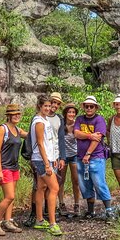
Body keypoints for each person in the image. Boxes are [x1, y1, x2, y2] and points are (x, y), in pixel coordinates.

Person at [24, 92, 66, 225]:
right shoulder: (39, 121)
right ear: (40, 106)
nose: (48, 108)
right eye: (45, 106)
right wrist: (47, 164)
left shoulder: (45, 119)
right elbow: (41, 143)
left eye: (49, 105)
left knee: (41, 187)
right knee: (54, 188)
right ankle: (53, 223)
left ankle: (39, 219)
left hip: (47, 158)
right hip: (42, 159)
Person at [74, 95, 117, 221]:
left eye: (91, 106)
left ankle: (109, 211)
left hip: (95, 157)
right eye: (86, 106)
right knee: (84, 184)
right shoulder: (79, 119)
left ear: (95, 108)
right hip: (80, 157)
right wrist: (89, 136)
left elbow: (97, 139)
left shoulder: (99, 120)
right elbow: (76, 133)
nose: (88, 108)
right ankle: (90, 210)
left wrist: (88, 154)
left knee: (99, 183)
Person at [0, 104, 29, 236]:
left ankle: (8, 221)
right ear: (8, 115)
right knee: (9, 196)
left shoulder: (17, 129)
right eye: (14, 114)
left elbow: (30, 135)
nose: (17, 116)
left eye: (18, 113)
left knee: (12, 197)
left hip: (14, 167)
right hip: (5, 167)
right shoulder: (3, 129)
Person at [58, 103, 81, 217]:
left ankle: (77, 203)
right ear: (65, 113)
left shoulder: (78, 124)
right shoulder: (60, 124)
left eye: (73, 112)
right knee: (61, 180)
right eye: (69, 112)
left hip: (75, 154)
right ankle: (61, 203)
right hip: (63, 155)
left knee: (76, 180)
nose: (71, 114)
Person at [46, 92, 67, 215]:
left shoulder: (59, 118)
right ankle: (36, 213)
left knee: (53, 185)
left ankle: (51, 211)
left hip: (54, 155)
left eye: (57, 103)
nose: (55, 105)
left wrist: (62, 157)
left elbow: (61, 138)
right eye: (53, 102)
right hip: (42, 155)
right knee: (40, 186)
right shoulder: (41, 116)